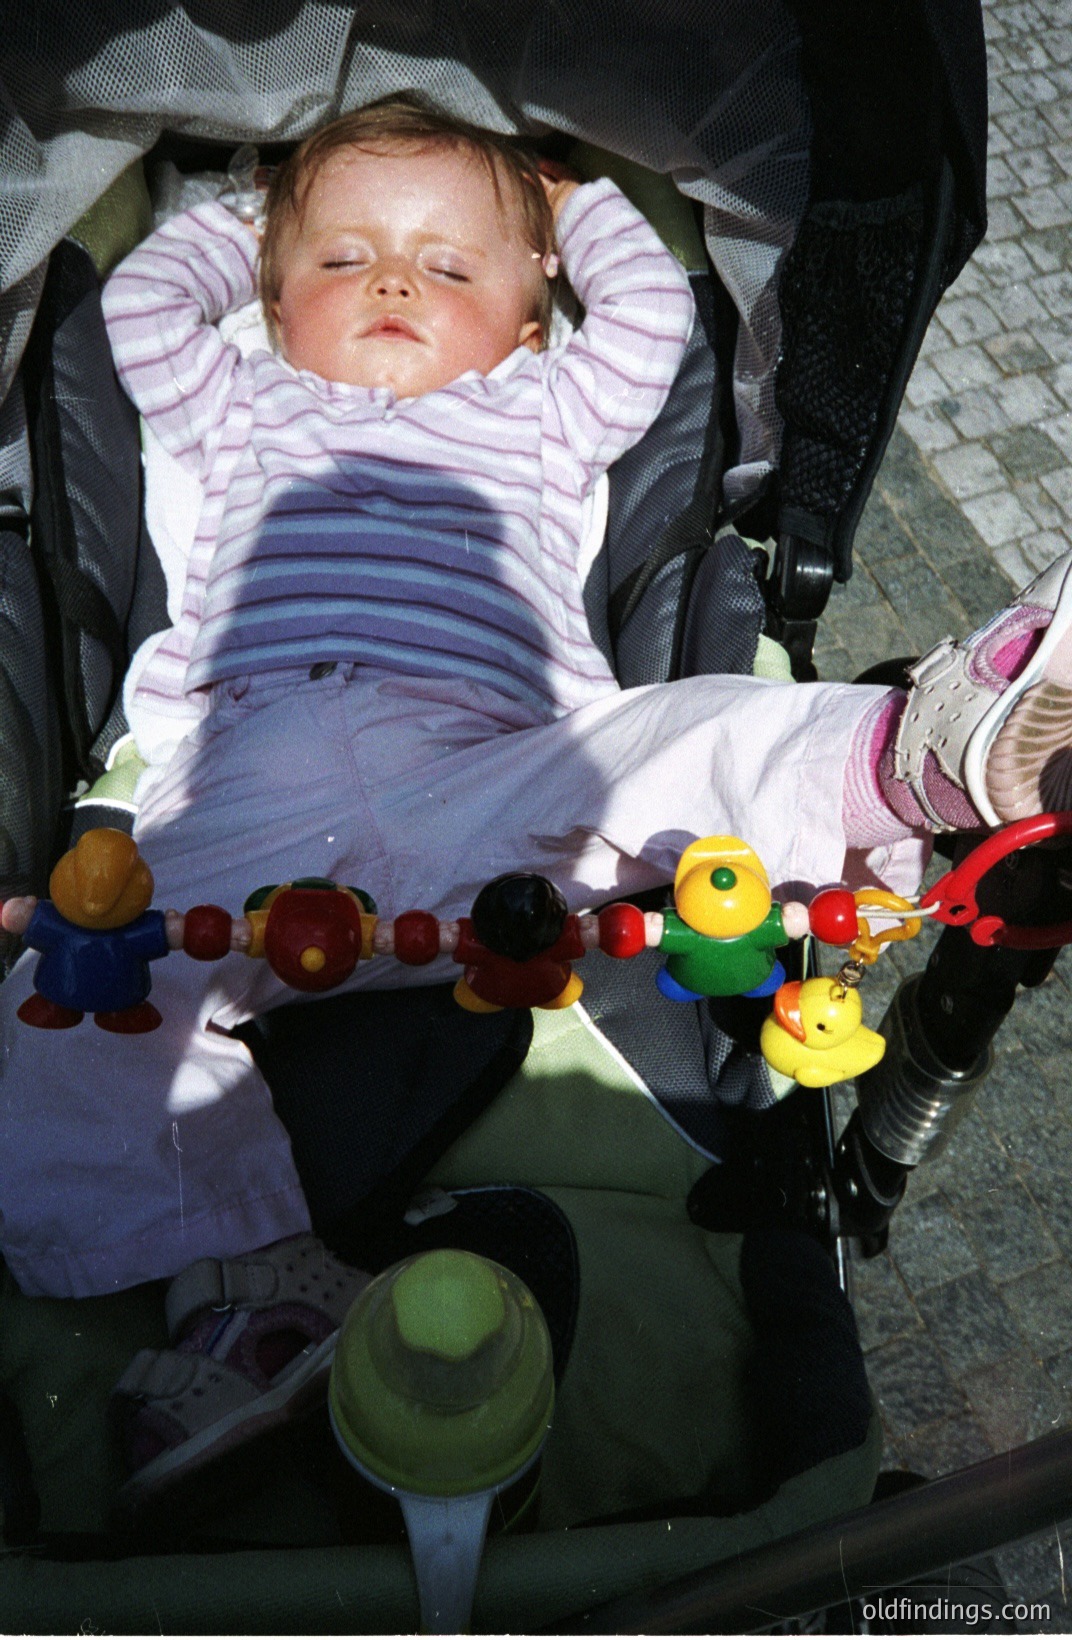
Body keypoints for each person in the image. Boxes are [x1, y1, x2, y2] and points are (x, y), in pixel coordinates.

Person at [2, 93, 1071, 1504]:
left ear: (525, 315)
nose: (391, 281)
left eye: (449, 266)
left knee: (683, 741)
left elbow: (644, 329)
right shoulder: (242, 400)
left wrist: (580, 208)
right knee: (58, 1052)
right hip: (249, 785)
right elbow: (143, 311)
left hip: (495, 765)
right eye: (341, 260)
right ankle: (273, 1284)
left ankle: (920, 752)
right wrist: (247, 213)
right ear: (269, 297)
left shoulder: (543, 406)